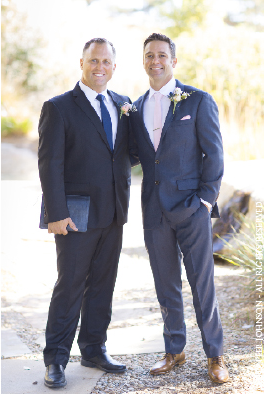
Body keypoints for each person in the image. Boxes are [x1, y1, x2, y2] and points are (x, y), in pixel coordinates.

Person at [38, 38, 138, 388]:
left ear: (114, 66)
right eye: (93, 61)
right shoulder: (59, 106)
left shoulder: (124, 104)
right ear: (81, 62)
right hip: (75, 215)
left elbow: (131, 153)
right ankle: (55, 359)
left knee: (103, 284)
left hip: (114, 213)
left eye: (106, 62)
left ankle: (94, 348)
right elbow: (50, 164)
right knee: (70, 286)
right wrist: (56, 213)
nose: (100, 67)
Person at [129, 33, 228, 384]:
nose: (155, 60)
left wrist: (205, 200)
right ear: (143, 61)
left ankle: (215, 355)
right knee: (165, 283)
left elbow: (214, 153)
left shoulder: (197, 101)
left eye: (161, 55)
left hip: (191, 208)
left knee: (203, 284)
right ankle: (175, 349)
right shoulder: (135, 107)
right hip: (154, 210)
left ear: (174, 61)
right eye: (149, 55)